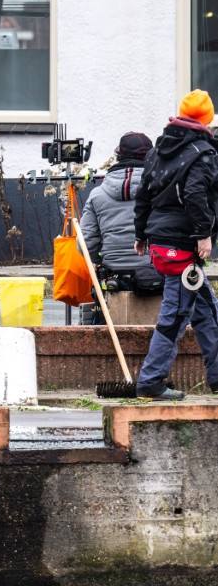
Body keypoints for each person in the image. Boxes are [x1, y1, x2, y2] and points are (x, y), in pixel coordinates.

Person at [133, 89, 218, 401]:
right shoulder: (203, 152)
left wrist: (141, 235)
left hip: (159, 242)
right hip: (182, 245)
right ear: (207, 119)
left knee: (207, 310)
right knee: (176, 314)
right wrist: (203, 234)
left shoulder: (159, 149)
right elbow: (196, 192)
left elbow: (144, 194)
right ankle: (151, 382)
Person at [81, 132, 160, 291]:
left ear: (119, 156)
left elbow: (85, 241)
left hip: (112, 273)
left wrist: (101, 261)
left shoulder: (97, 194)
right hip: (154, 270)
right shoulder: (162, 191)